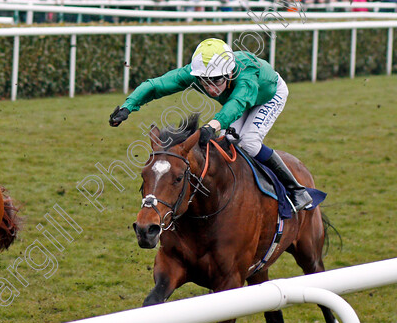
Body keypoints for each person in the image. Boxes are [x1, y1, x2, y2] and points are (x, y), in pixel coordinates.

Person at [108, 38, 313, 212]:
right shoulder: (195, 73)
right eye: (204, 81)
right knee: (226, 142)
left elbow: (236, 104)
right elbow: (155, 85)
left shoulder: (245, 75)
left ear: (229, 74)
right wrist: (128, 107)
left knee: (248, 142)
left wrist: (212, 125)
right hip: (237, 102)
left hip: (268, 96)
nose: (210, 88)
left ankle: (296, 190)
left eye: (215, 81)